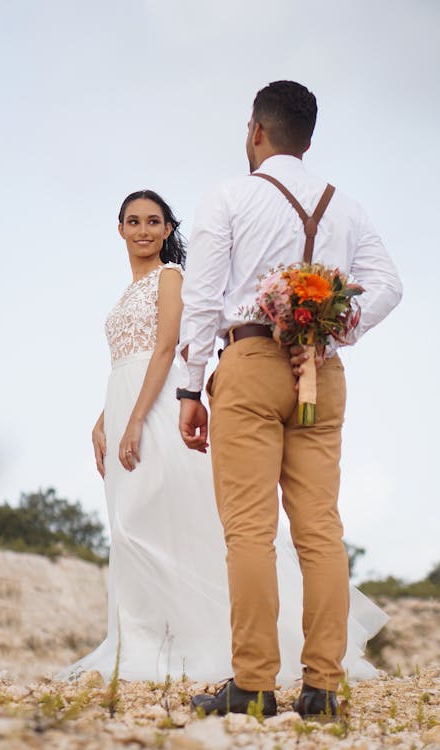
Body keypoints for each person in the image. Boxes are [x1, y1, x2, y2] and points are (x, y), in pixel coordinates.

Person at [58, 186, 388, 691]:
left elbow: (167, 348)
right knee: (130, 525)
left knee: (178, 520)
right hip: (126, 397)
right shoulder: (126, 292)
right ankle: (146, 636)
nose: (143, 229)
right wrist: (106, 415)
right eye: (133, 221)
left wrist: (137, 419)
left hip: (159, 403)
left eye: (153, 220)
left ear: (169, 230)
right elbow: (128, 357)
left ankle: (211, 645)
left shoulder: (171, 278)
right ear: (120, 229)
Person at [177, 80, 402, 718]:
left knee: (250, 530)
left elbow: (201, 298)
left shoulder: (229, 196)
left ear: (256, 130)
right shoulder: (347, 208)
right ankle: (324, 688)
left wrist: (191, 388)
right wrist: (334, 328)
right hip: (321, 369)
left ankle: (252, 685)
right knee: (321, 530)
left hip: (249, 363)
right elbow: (389, 285)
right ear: (309, 138)